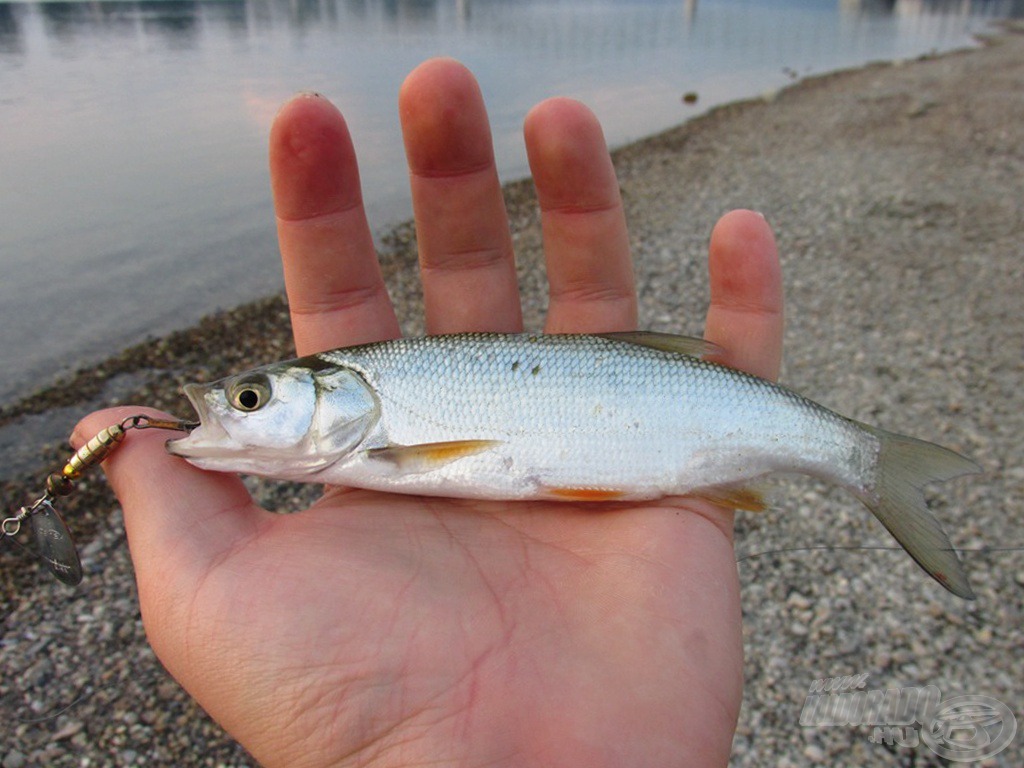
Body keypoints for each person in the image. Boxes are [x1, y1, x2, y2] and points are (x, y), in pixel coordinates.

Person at [74, 58, 783, 767]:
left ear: (338, 396)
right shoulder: (360, 433)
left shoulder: (378, 447)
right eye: (246, 401)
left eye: (250, 400)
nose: (234, 410)